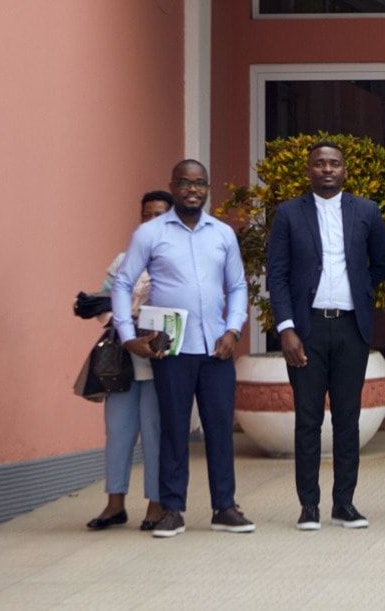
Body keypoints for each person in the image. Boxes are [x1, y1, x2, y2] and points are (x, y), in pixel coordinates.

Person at [112, 160, 253, 538]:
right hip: (170, 348)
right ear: (173, 187)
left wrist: (233, 329)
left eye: (200, 183)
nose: (193, 189)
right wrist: (128, 335)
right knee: (174, 430)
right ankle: (172, 510)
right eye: (186, 183)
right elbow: (123, 283)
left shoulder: (223, 234)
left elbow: (238, 286)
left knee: (220, 429)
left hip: (217, 348)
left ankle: (225, 507)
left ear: (208, 187)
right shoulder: (151, 233)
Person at [264, 140, 385, 531]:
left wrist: (361, 290)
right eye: (319, 163)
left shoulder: (366, 212)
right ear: (308, 171)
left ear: (344, 171)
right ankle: (309, 506)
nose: (326, 169)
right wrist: (286, 328)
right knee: (306, 419)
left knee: (347, 419)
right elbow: (277, 275)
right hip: (306, 329)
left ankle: (344, 503)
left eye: (334, 163)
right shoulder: (288, 213)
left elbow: (384, 262)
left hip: (351, 328)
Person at [89, 190, 173, 532]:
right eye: (146, 215)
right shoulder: (124, 260)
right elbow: (101, 305)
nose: (152, 221)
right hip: (123, 359)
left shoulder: (177, 259)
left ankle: (155, 504)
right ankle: (115, 504)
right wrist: (125, 323)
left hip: (159, 361)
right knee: (118, 430)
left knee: (155, 433)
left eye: (159, 215)